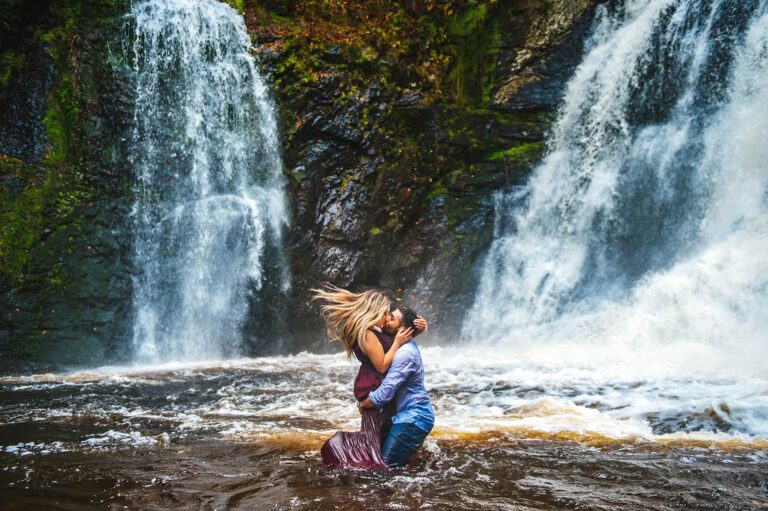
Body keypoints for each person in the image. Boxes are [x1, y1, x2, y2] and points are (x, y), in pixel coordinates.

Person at [311, 285, 425, 469]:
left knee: (378, 441)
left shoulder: (374, 332)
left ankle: (380, 475)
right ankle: (366, 474)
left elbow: (398, 336)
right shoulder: (367, 334)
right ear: (375, 312)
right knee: (374, 445)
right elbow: (382, 364)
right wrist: (396, 343)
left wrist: (418, 330)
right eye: (385, 313)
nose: (387, 318)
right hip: (375, 391)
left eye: (390, 315)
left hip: (380, 392)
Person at [358, 304, 435, 468]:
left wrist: (365, 403)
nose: (386, 319)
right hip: (410, 417)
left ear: (403, 330)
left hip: (413, 418)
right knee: (397, 467)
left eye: (392, 318)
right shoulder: (401, 346)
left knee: (385, 469)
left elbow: (386, 391)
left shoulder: (405, 353)